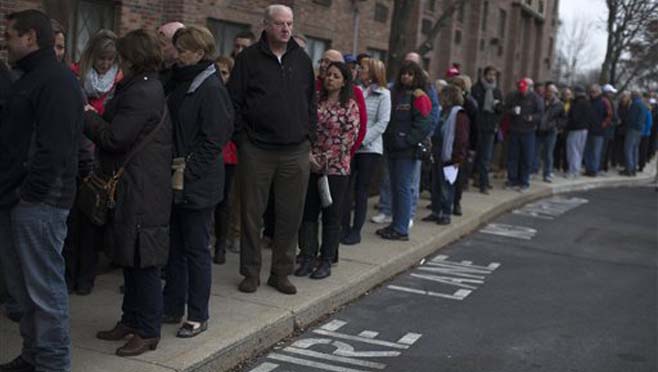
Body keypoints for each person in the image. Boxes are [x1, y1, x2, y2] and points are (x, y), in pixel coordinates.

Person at [0, 9, 83, 371]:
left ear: (30, 37)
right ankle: (34, 355)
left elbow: (57, 148)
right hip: (23, 199)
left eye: (10, 35)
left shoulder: (56, 81)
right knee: (25, 291)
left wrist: (30, 193)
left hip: (41, 203)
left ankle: (52, 363)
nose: (5, 42)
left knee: (44, 289)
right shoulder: (30, 77)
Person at [85, 29, 172, 357]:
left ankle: (147, 331)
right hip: (138, 185)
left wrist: (88, 117)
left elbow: (114, 138)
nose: (119, 60)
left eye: (123, 55)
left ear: (133, 57)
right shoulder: (142, 85)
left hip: (143, 188)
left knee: (144, 262)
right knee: (131, 259)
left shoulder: (143, 91)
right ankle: (131, 320)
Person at [227, 4, 316, 295]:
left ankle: (281, 272)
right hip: (257, 149)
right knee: (252, 215)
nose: (286, 29)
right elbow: (234, 103)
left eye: (289, 23)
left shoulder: (302, 60)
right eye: (280, 23)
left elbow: (310, 103)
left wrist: (309, 139)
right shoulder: (249, 59)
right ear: (265, 25)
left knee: (290, 215)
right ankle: (250, 272)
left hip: (295, 150)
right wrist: (243, 139)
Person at [161, 25, 233, 338]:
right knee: (175, 247)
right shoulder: (183, 79)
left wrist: (187, 171)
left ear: (199, 53)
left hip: (196, 183)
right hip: (179, 178)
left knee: (196, 250)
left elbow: (215, 138)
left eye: (183, 49)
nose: (176, 54)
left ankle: (198, 314)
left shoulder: (210, 87)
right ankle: (172, 306)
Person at [64, 29, 123, 296]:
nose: (105, 64)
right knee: (71, 222)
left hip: (100, 159)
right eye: (101, 58)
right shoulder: (75, 76)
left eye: (110, 59)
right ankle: (69, 274)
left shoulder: (118, 82)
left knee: (91, 220)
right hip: (75, 154)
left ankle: (86, 276)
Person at [295, 62, 359, 279]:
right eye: (328, 75)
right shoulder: (316, 102)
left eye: (336, 76)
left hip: (336, 169)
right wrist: (310, 156)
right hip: (311, 165)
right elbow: (305, 128)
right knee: (308, 213)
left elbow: (348, 138)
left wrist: (324, 160)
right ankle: (307, 256)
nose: (330, 79)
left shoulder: (349, 106)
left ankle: (326, 260)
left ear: (344, 82)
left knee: (331, 215)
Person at [377, 61, 432, 241]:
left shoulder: (419, 96)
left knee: (402, 188)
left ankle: (401, 229)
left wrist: (406, 141)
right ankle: (395, 224)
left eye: (410, 74)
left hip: (406, 150)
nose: (406, 77)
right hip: (392, 147)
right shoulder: (395, 94)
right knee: (394, 187)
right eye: (404, 74)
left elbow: (424, 124)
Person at [341, 58, 391, 245]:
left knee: (361, 190)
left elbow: (382, 123)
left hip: (370, 148)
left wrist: (362, 139)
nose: (360, 70)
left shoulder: (384, 94)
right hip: (351, 146)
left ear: (374, 72)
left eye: (364, 68)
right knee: (345, 188)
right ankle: (343, 227)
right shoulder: (356, 91)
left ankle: (356, 230)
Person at [423, 84, 470, 225]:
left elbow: (462, 138)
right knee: (436, 184)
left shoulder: (458, 114)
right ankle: (436, 211)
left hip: (449, 156)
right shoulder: (444, 111)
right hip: (438, 152)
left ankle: (446, 213)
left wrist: (458, 157)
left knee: (446, 186)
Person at [213, 55, 240, 265]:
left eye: (224, 72)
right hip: (210, 152)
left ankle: (220, 244)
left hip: (228, 154)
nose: (220, 76)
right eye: (217, 71)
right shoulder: (208, 93)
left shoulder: (234, 97)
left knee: (223, 201)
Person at [504, 78, 544, 191]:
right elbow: (506, 108)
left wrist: (532, 118)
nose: (522, 91)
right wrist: (512, 111)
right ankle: (512, 180)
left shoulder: (536, 98)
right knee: (513, 157)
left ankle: (524, 181)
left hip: (528, 131)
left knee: (526, 158)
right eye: (520, 89)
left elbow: (540, 113)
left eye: (524, 89)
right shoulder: (513, 96)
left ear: (529, 88)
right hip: (515, 130)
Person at [471, 65, 503, 194]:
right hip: (477, 126)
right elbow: (473, 107)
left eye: (494, 75)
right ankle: (472, 179)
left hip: (489, 128)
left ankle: (483, 184)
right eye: (490, 74)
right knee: (473, 155)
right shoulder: (476, 88)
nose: (492, 77)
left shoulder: (497, 91)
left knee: (486, 157)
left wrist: (497, 106)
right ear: (484, 75)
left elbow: (501, 111)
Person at [449, 75, 477, 215]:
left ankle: (456, 202)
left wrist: (472, 147)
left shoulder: (469, 103)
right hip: (449, 140)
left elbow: (475, 126)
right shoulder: (449, 101)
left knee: (458, 174)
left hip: (463, 142)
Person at [535, 84, 565, 183]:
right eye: (548, 91)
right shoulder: (540, 101)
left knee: (548, 153)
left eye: (552, 92)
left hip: (551, 131)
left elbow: (563, 118)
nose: (549, 93)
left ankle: (547, 173)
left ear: (555, 93)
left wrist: (557, 125)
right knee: (536, 152)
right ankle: (534, 170)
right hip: (539, 130)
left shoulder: (559, 104)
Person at [583, 84, 612, 177]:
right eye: (591, 91)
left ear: (599, 92)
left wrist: (602, 125)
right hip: (589, 129)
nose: (592, 93)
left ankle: (594, 169)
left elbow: (609, 115)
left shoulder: (604, 101)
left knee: (596, 151)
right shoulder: (589, 101)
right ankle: (588, 168)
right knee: (588, 150)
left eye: (594, 92)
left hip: (599, 131)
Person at [565, 86, 594, 179]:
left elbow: (574, 117)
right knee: (579, 151)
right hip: (584, 129)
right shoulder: (587, 103)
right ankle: (576, 170)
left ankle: (573, 170)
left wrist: (568, 124)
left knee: (573, 150)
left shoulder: (577, 103)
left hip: (575, 129)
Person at [620, 91, 647, 176]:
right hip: (639, 129)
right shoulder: (643, 105)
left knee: (628, 149)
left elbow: (631, 117)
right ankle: (634, 168)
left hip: (632, 128)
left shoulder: (635, 105)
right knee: (635, 149)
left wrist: (625, 124)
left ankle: (629, 169)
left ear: (633, 96)